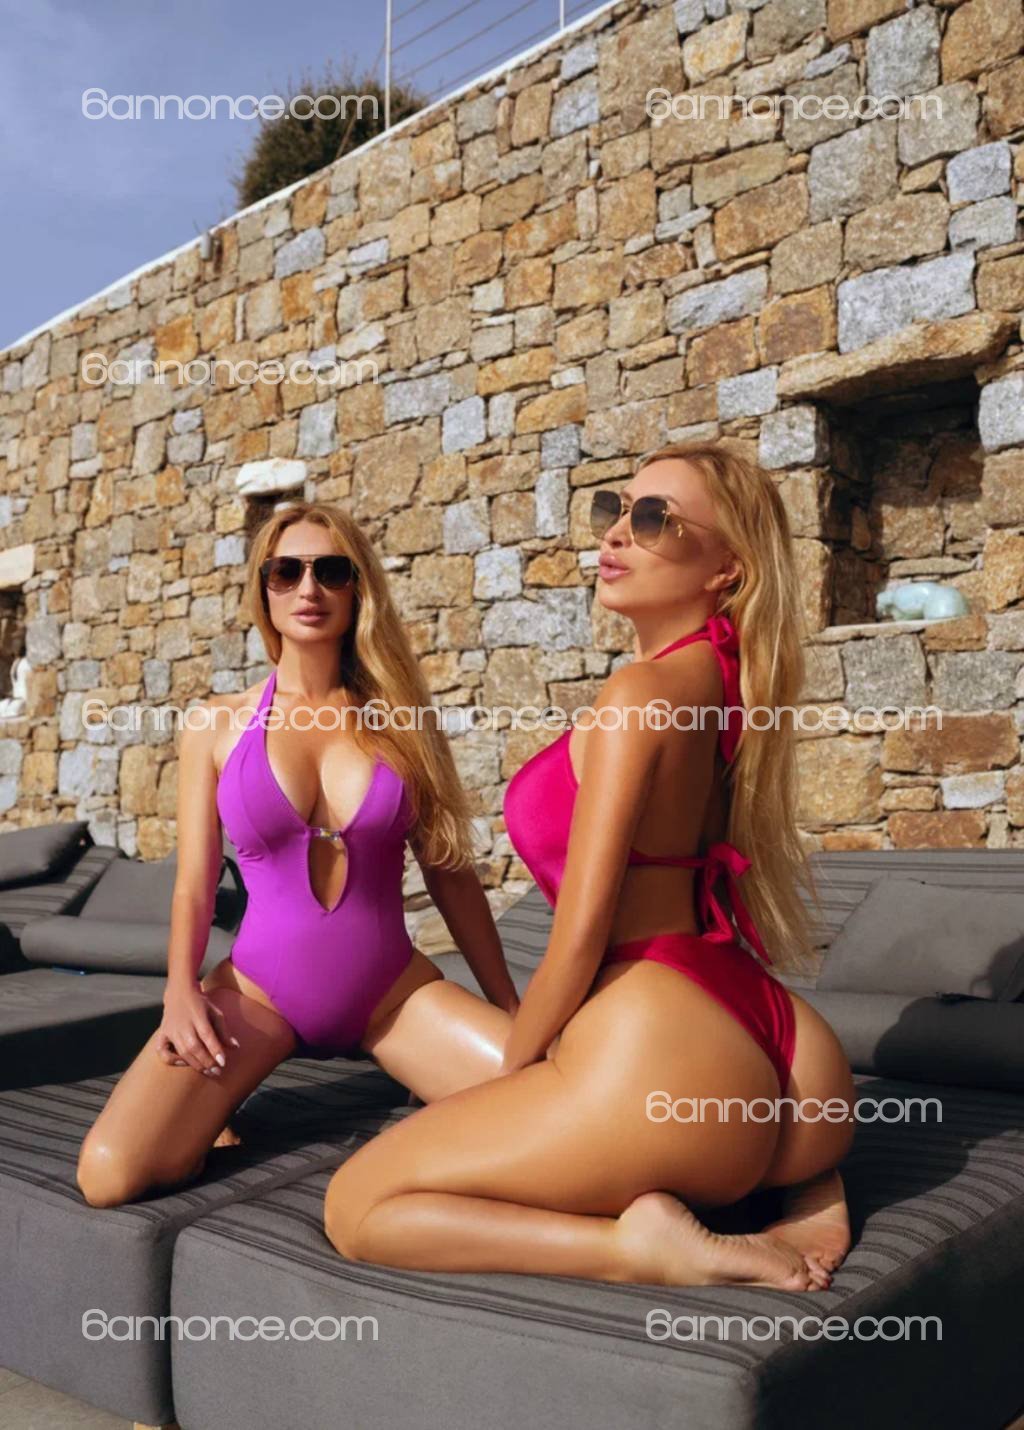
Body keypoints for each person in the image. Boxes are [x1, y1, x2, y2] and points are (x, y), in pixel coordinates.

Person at [321, 441, 857, 1290]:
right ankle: (802, 1180)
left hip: (662, 1058)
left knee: (357, 1206)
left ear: (728, 568)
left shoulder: (638, 695)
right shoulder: (728, 684)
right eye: (616, 509)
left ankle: (637, 1247)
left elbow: (579, 939)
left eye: (655, 520)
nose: (615, 534)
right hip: (790, 1061)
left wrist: (511, 1078)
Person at [76, 500, 523, 1208]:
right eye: (287, 571)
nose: (308, 589)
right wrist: (179, 993)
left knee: (560, 1112)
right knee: (109, 1174)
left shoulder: (403, 722)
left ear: (358, 588)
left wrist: (510, 1009)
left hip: (392, 996)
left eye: (331, 571)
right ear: (264, 589)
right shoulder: (216, 724)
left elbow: (451, 874)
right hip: (257, 994)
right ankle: (215, 1106)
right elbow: (194, 883)